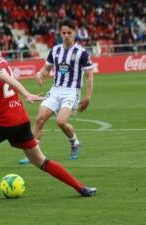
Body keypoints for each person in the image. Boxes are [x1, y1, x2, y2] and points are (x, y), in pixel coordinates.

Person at [0, 35, 96, 208]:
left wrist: (27, 94)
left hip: (3, 121)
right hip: (21, 119)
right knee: (41, 160)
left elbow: (4, 78)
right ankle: (81, 188)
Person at [19, 18, 94, 164]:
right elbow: (46, 69)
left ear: (75, 33)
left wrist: (87, 97)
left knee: (60, 121)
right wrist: (39, 74)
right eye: (63, 32)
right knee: (40, 119)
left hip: (71, 91)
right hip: (55, 90)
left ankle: (75, 142)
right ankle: (32, 154)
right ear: (60, 33)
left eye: (69, 33)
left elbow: (90, 75)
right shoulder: (55, 50)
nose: (66, 35)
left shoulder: (82, 53)